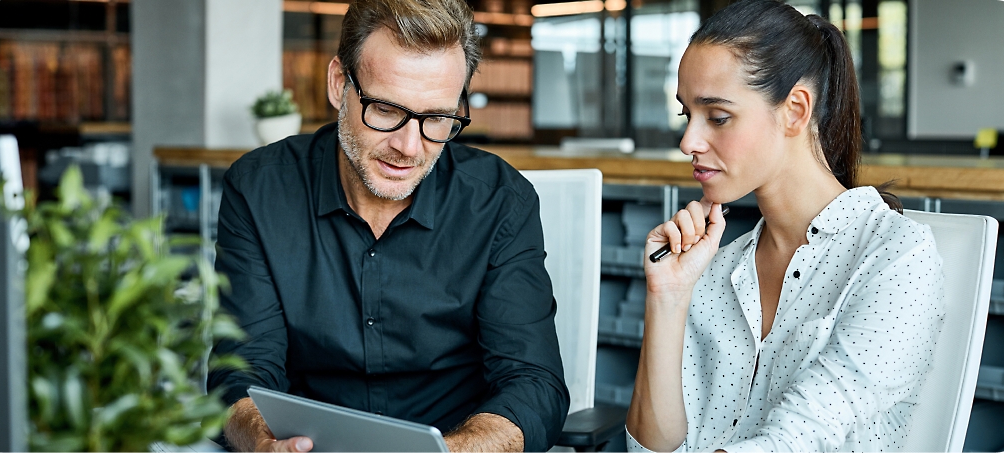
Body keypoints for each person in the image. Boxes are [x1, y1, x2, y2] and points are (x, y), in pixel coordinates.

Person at [205, 0, 570, 451]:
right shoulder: (259, 189)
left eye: (437, 118)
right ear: (340, 85)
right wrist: (262, 442)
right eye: (385, 109)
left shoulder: (499, 203)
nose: (408, 147)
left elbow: (534, 385)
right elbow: (241, 370)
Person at [624, 1, 944, 451]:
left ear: (795, 110)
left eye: (717, 117)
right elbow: (648, 448)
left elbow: (797, 441)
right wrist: (668, 298)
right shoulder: (714, 267)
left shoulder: (896, 257)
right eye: (687, 115)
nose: (688, 142)